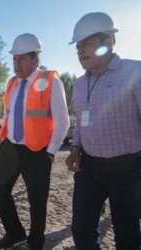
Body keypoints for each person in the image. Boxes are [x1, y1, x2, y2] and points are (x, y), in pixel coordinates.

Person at [65, 12, 141, 250]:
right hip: (89, 169)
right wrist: (76, 147)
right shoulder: (79, 84)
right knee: (81, 231)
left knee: (128, 238)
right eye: (78, 46)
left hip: (128, 171)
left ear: (108, 42)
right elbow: (81, 121)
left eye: (86, 43)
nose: (80, 50)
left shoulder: (135, 73)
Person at [0, 33, 70, 249]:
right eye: (14, 59)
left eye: (22, 58)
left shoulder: (51, 82)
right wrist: (5, 137)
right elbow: (8, 112)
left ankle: (36, 241)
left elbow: (63, 122)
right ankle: (15, 232)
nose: (16, 64)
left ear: (36, 59)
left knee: (37, 200)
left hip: (38, 151)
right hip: (10, 147)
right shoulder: (12, 82)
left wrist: (51, 151)